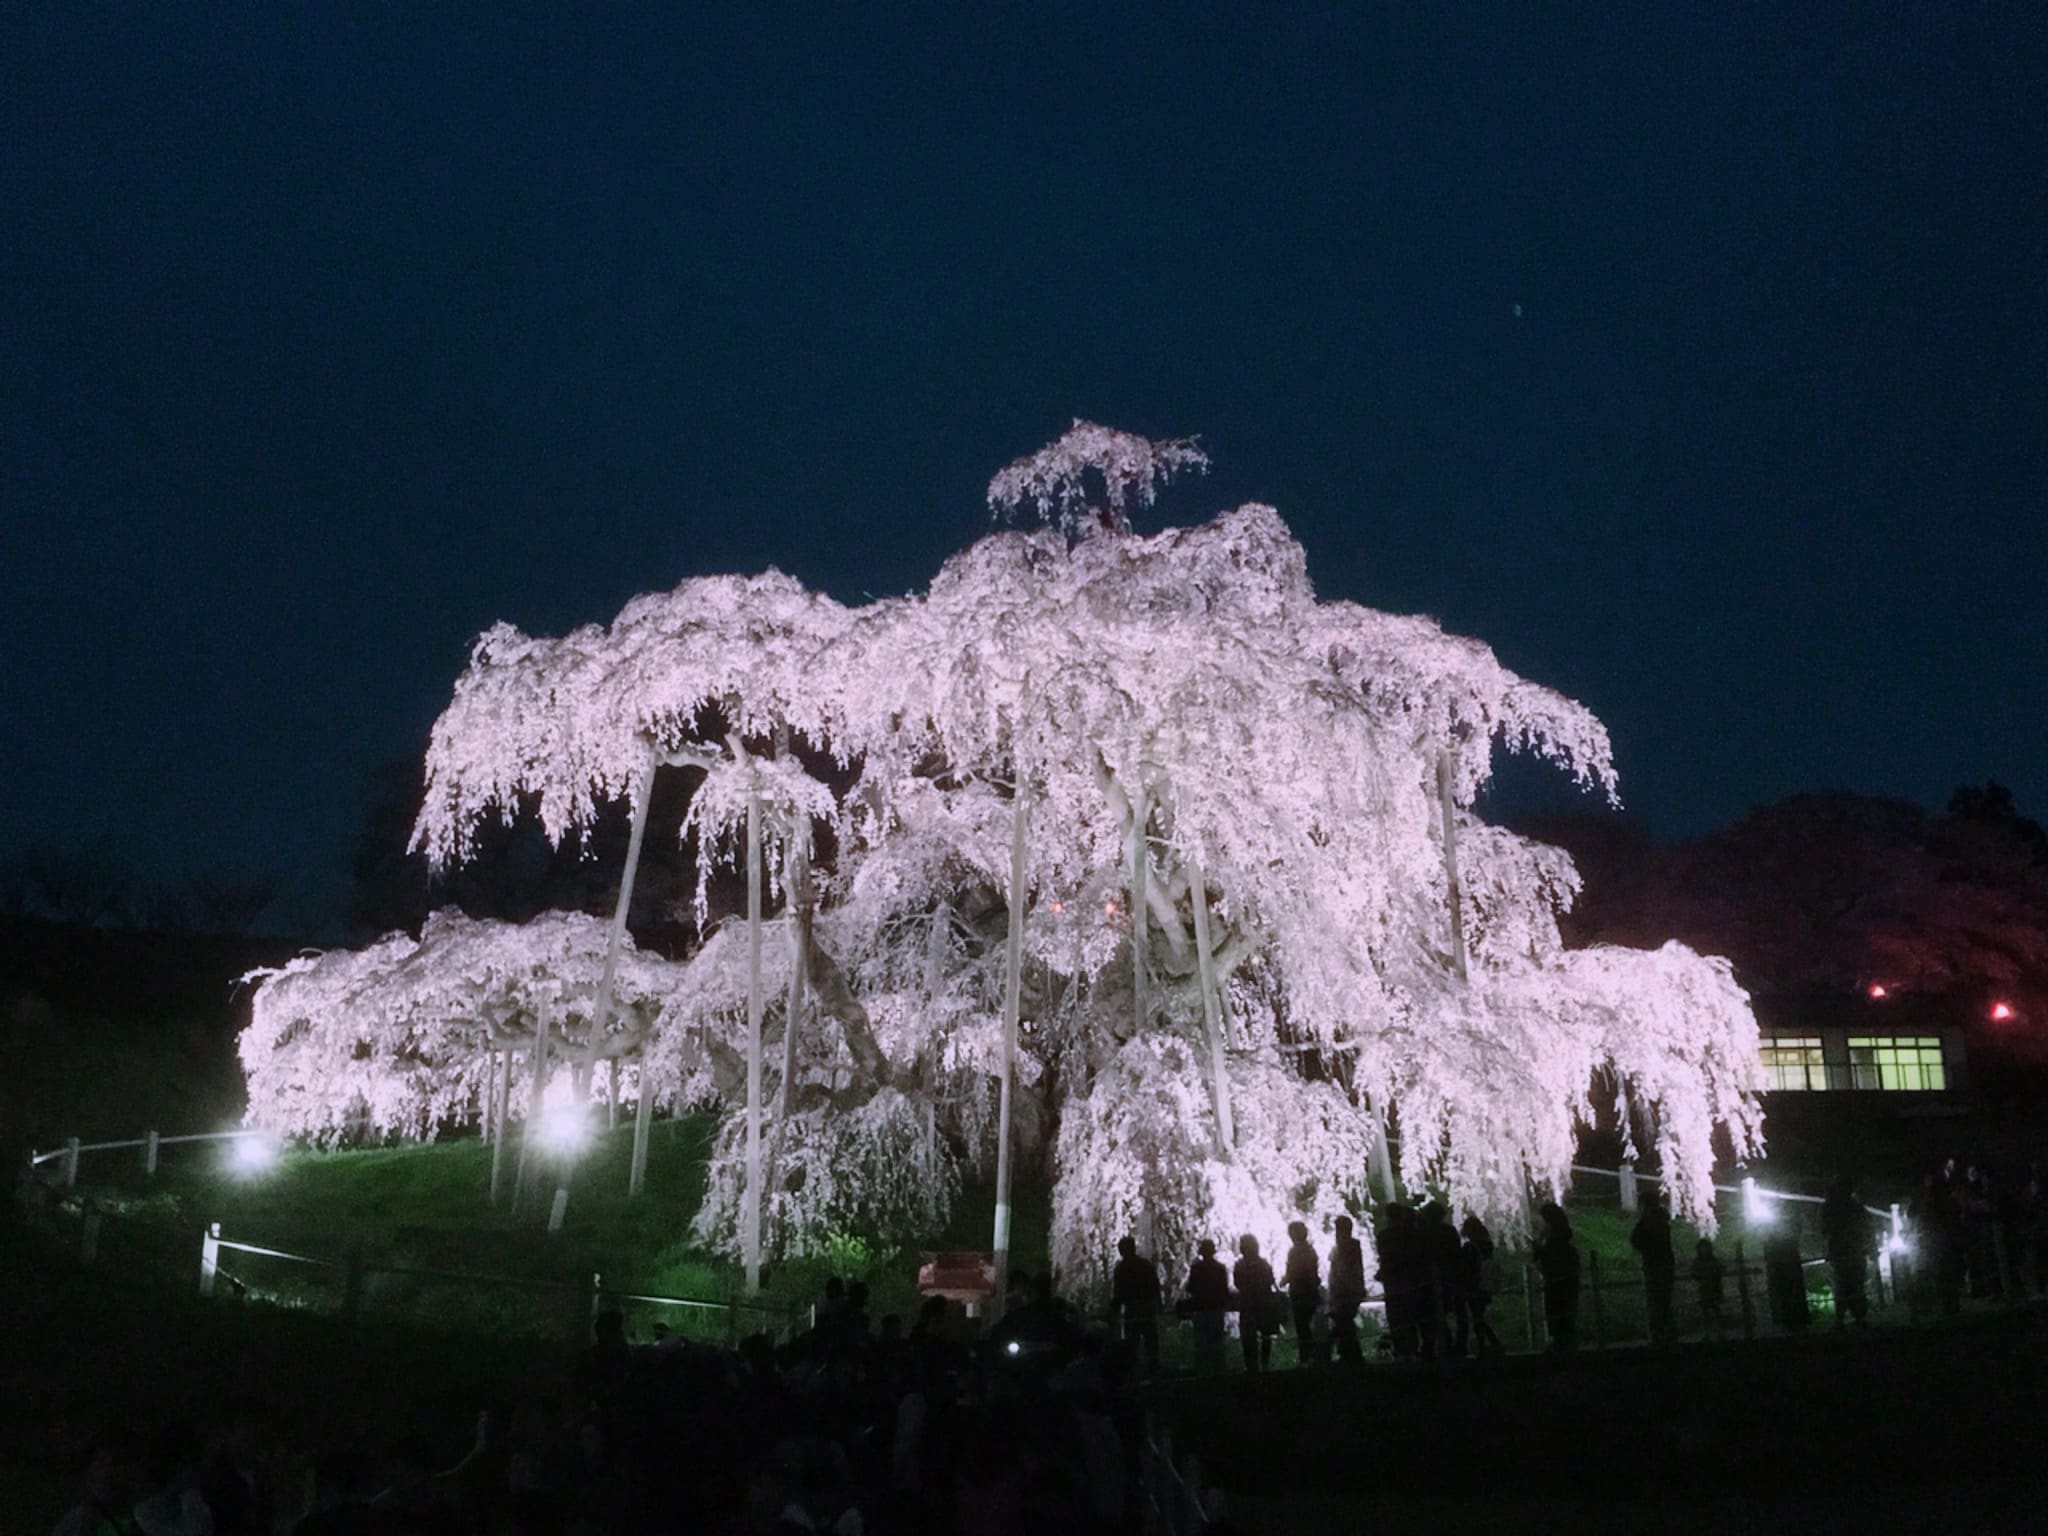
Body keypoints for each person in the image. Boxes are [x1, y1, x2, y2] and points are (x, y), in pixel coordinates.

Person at [51, 1432, 139, 1536]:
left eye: (116, 1463)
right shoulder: (74, 1524)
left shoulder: (147, 1516)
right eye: (101, 1462)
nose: (108, 1471)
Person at [1822, 1175, 1871, 1327]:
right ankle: (1858, 1317)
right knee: (1855, 1284)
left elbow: (1825, 1229)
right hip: (1853, 1250)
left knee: (1843, 1284)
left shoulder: (1831, 1207)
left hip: (1842, 1250)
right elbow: (1866, 1227)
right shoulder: (1856, 1207)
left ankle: (1842, 1318)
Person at [1109, 1235, 1162, 1372]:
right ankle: (1154, 1371)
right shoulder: (1146, 1265)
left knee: (1131, 1343)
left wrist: (1113, 1310)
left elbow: (1118, 1293)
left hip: (1132, 1310)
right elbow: (1156, 1286)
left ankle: (1133, 1374)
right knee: (1151, 1342)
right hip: (1147, 1308)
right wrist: (1159, 1305)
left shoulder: (1121, 1269)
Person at [1533, 1203, 1580, 1355]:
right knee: (1564, 1315)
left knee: (1557, 1314)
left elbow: (1548, 1260)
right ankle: (1566, 1345)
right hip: (1565, 1281)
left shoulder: (1553, 1240)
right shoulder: (1563, 1237)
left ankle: (1561, 1347)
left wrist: (1539, 1250)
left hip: (1556, 1282)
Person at [1630, 1194, 1677, 1345]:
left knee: (1655, 1302)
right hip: (1666, 1264)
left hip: (1653, 1264)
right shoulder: (1662, 1220)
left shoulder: (1647, 1221)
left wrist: (1645, 1248)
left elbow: (1635, 1238)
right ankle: (1668, 1334)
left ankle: (1658, 1336)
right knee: (1665, 1301)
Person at [1182, 1239, 1232, 1374]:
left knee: (1201, 1341)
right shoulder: (1220, 1268)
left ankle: (1202, 1369)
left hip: (1201, 1308)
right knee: (1216, 1340)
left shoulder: (1196, 1268)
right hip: (1216, 1308)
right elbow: (1224, 1290)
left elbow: (1191, 1288)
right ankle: (1218, 1368)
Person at [1419, 1202, 1462, 1358]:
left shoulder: (1423, 1232)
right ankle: (1445, 1345)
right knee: (1440, 1313)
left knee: (1428, 1314)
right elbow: (1456, 1254)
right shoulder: (1448, 1231)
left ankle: (1430, 1346)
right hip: (1445, 1277)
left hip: (1427, 1279)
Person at [1457, 1214, 1503, 1358]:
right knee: (1479, 1316)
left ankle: (1488, 1344)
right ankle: (1490, 1343)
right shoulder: (1487, 1244)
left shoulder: (1470, 1247)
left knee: (1477, 1317)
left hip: (1474, 1285)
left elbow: (1465, 1267)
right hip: (1485, 1284)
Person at [1231, 1235, 1277, 1372]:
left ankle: (1251, 1366)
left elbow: (1237, 1283)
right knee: (1265, 1335)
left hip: (1247, 1305)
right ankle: (1265, 1364)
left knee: (1247, 1337)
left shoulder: (1240, 1265)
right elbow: (1270, 1280)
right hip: (1264, 1305)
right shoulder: (1263, 1264)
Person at [1326, 1215, 1367, 1365]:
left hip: (1345, 1292)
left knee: (1343, 1323)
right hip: (1346, 1291)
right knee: (1344, 1323)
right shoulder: (1349, 1246)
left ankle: (1349, 1354)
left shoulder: (1346, 1247)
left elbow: (1344, 1271)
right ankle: (1349, 1353)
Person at [1282, 1221, 1322, 1366]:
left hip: (1300, 1293)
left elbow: (1292, 1272)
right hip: (1311, 1292)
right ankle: (1311, 1356)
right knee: (1306, 1326)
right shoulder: (1310, 1250)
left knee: (1302, 1327)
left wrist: (1283, 1281)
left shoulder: (1295, 1251)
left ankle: (1306, 1358)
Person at [1691, 1237, 1726, 1340]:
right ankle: (1708, 1333)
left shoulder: (1712, 1260)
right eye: (1703, 1248)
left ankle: (1718, 1331)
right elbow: (1694, 1273)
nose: (1704, 1250)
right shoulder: (1699, 1261)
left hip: (1713, 1288)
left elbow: (1720, 1269)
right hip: (1705, 1288)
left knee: (1715, 1310)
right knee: (1706, 1311)